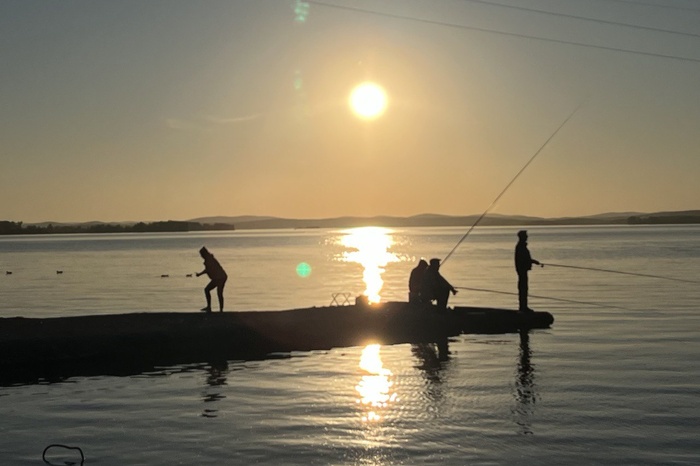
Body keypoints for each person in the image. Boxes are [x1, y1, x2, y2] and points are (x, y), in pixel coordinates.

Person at [514, 230, 541, 312]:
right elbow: (524, 259)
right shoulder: (521, 246)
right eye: (526, 235)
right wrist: (532, 261)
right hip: (522, 270)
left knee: (524, 288)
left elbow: (525, 259)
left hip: (522, 270)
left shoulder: (521, 246)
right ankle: (523, 307)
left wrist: (533, 261)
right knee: (523, 288)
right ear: (522, 237)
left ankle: (524, 306)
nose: (527, 237)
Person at [196, 247, 228, 312]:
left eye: (201, 255)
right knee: (212, 291)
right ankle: (213, 308)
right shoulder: (209, 259)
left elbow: (208, 270)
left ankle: (217, 309)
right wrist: (200, 274)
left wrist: (200, 274)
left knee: (214, 291)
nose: (201, 256)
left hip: (220, 277)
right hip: (219, 277)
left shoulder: (209, 260)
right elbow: (208, 270)